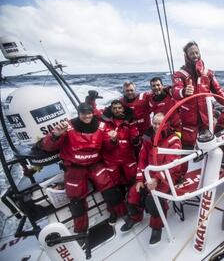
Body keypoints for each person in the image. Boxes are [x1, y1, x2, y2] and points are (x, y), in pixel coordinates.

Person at [41, 103, 126, 235]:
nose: (87, 116)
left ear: (92, 113)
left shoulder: (101, 126)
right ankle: (81, 230)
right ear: (78, 113)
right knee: (76, 199)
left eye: (89, 113)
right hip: (74, 167)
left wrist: (114, 140)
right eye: (83, 113)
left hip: (95, 163)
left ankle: (118, 213)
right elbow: (47, 147)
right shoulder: (67, 127)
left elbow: (109, 147)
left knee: (110, 188)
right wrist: (56, 135)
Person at [120, 113, 182, 246]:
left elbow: (173, 164)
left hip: (168, 176)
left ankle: (156, 227)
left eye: (160, 123)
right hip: (149, 175)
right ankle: (136, 217)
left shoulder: (174, 140)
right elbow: (142, 160)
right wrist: (139, 179)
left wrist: (157, 179)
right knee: (132, 193)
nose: (156, 126)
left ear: (167, 124)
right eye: (154, 123)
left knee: (153, 200)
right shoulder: (148, 139)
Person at [172, 41, 224, 148]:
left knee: (208, 146)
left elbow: (218, 91)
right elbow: (175, 91)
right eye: (192, 53)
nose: (195, 56)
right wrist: (183, 91)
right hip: (188, 119)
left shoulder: (208, 73)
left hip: (206, 117)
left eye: (197, 52)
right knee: (189, 147)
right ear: (186, 56)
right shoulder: (179, 74)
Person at [101, 100, 140, 224]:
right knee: (113, 188)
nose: (117, 110)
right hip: (111, 161)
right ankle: (115, 212)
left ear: (123, 109)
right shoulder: (105, 123)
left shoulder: (130, 121)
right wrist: (112, 140)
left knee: (134, 183)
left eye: (119, 108)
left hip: (128, 159)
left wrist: (135, 139)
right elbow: (105, 143)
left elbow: (135, 139)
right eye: (115, 108)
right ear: (111, 110)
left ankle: (136, 209)